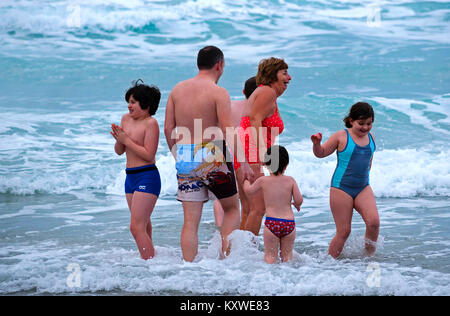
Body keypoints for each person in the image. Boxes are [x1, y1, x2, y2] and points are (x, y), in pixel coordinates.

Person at [164, 46, 253, 262]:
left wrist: (177, 154)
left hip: (185, 154)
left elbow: (168, 128)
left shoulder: (177, 90)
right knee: (231, 209)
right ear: (219, 65)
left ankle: (189, 269)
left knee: (190, 222)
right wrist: (244, 162)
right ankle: (225, 263)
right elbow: (227, 129)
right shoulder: (218, 92)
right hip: (212, 153)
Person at [311, 102, 379, 258]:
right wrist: (316, 144)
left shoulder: (371, 137)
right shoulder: (341, 136)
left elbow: (368, 162)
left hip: (363, 187)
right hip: (341, 188)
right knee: (344, 231)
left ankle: (369, 258)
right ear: (350, 121)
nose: (365, 127)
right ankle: (329, 263)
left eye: (369, 124)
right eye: (361, 123)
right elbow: (321, 153)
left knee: (374, 223)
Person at [239, 57, 291, 235]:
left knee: (250, 209)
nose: (289, 78)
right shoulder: (267, 92)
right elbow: (254, 120)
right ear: (272, 75)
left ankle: (237, 254)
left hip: (247, 152)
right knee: (258, 209)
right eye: (284, 73)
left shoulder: (268, 94)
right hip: (252, 152)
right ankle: (246, 253)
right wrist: (263, 153)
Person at [110, 80, 162, 260]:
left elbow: (149, 154)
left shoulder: (151, 123)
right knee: (143, 223)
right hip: (130, 177)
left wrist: (126, 139)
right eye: (129, 101)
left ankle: (149, 263)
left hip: (147, 176)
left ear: (146, 105)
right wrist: (119, 139)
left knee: (135, 226)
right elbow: (119, 151)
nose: (129, 106)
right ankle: (150, 261)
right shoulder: (126, 119)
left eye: (133, 102)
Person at [243, 145, 303, 263]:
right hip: (289, 224)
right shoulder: (290, 180)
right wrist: (296, 204)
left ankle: (270, 279)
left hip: (272, 223)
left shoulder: (263, 181)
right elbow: (299, 199)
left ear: (267, 164)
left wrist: (246, 180)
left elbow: (249, 191)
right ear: (286, 165)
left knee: (270, 257)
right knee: (287, 257)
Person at [212, 76, 257, 229]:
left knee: (223, 195)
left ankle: (220, 226)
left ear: (244, 91)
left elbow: (220, 129)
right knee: (248, 199)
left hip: (226, 150)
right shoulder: (258, 110)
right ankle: (243, 229)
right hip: (247, 155)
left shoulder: (231, 106)